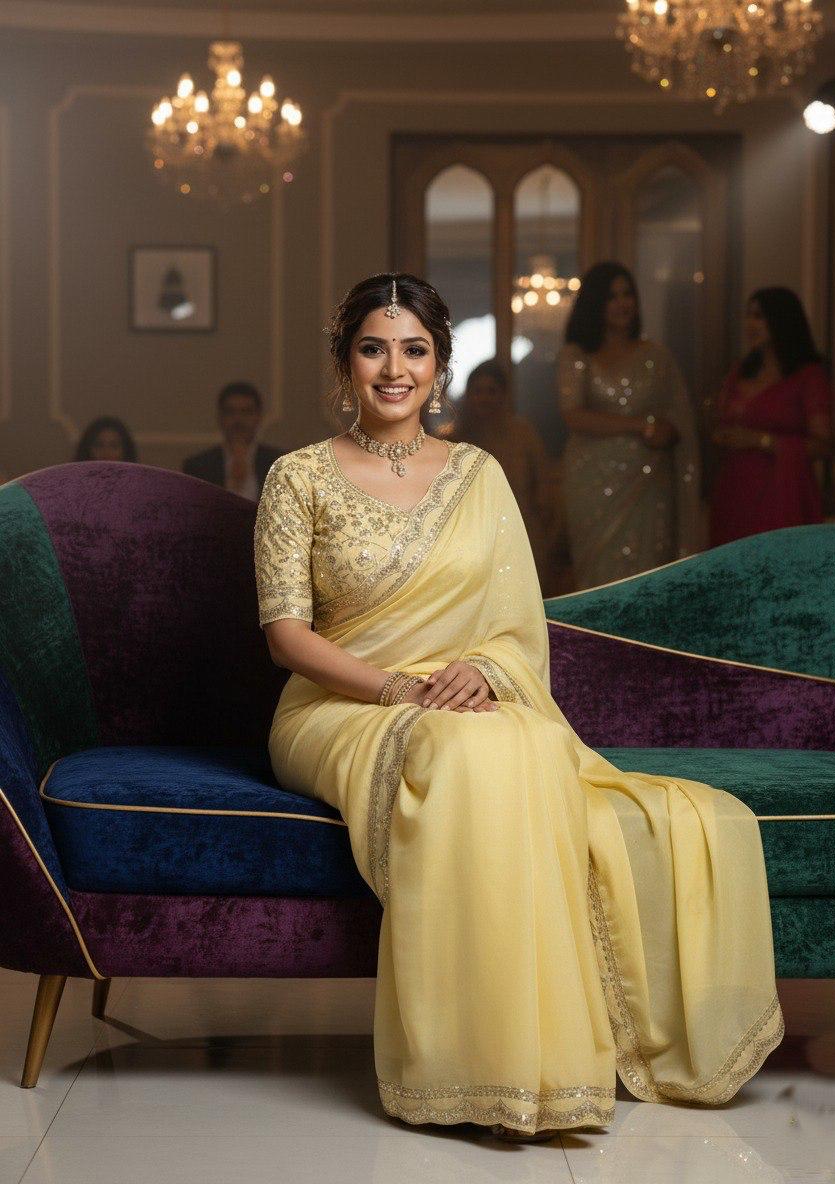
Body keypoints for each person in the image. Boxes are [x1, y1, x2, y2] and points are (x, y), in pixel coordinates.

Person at [253, 272, 781, 1141]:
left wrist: (485, 673)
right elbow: (286, 636)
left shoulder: (478, 475)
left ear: (441, 364)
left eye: (414, 350)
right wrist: (396, 689)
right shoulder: (300, 477)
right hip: (337, 706)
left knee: (522, 750)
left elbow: (513, 626)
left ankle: (545, 1068)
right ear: (345, 362)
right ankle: (469, 1074)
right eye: (374, 348)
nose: (395, 369)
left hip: (461, 691)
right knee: (464, 756)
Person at [556, 261, 701, 590]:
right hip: (592, 483)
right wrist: (642, 426)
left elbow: (679, 416)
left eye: (627, 294)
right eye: (611, 297)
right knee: (599, 576)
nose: (622, 303)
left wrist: (664, 429)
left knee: (648, 573)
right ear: (596, 304)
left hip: (649, 480)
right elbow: (573, 414)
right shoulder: (578, 354)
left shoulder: (656, 356)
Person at [709, 287, 833, 546]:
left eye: (759, 316)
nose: (750, 324)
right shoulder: (742, 371)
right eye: (748, 315)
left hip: (781, 494)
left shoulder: (808, 376)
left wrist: (761, 441)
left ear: (781, 320)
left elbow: (823, 445)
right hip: (735, 489)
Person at [448, 359, 553, 588]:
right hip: (469, 541)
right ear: (468, 395)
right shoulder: (453, 440)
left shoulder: (523, 433)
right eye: (478, 391)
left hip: (522, 534)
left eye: (491, 391)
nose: (484, 398)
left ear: (504, 396)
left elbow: (543, 485)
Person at [183, 381, 282, 501]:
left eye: (246, 412)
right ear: (220, 417)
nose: (238, 420)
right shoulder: (197, 466)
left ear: (259, 416)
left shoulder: (280, 464)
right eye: (230, 412)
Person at [74, 416, 138, 463]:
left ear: (125, 450)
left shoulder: (137, 480)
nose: (106, 453)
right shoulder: (73, 479)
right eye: (99, 446)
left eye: (114, 446)